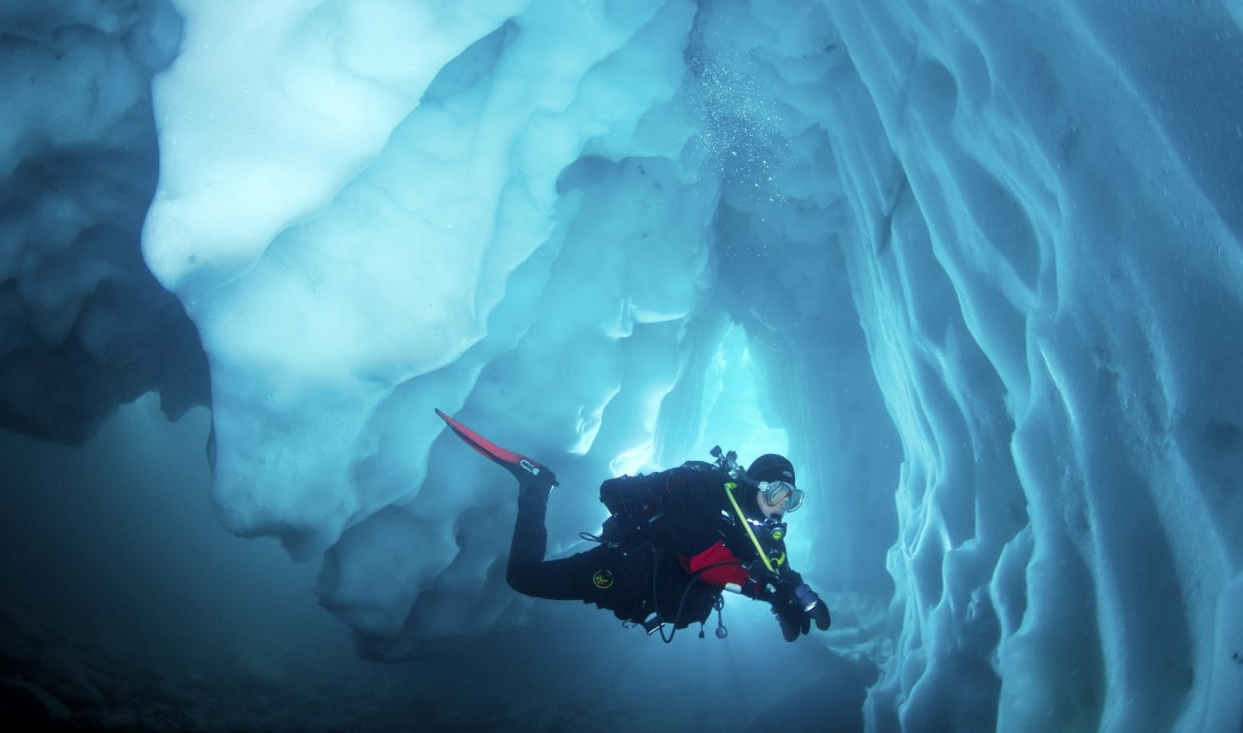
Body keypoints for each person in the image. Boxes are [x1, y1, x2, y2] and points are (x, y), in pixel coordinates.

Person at [436, 409, 831, 641]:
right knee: (523, 578)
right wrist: (769, 593)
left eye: (791, 498)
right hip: (620, 569)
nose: (782, 505)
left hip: (642, 595)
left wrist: (800, 597)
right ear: (755, 484)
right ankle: (535, 484)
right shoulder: (703, 494)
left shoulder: (762, 534)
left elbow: (778, 569)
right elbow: (704, 562)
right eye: (778, 492)